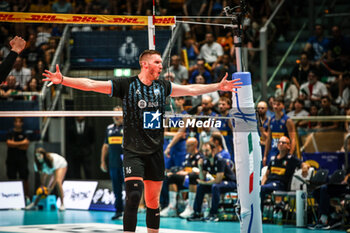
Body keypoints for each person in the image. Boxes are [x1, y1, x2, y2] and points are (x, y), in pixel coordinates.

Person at [42, 49, 242, 233]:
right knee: (134, 196)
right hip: (133, 151)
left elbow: (191, 90)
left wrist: (218, 86)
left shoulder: (163, 86)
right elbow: (92, 85)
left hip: (155, 152)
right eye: (157, 62)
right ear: (145, 64)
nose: (161, 66)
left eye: (161, 63)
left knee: (153, 202)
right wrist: (63, 80)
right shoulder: (126, 85)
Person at [187, 142, 236, 222]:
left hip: (230, 183)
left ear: (213, 150)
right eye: (203, 151)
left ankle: (213, 214)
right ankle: (197, 213)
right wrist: (200, 167)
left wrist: (204, 183)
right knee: (201, 187)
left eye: (207, 151)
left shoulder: (220, 161)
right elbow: (202, 178)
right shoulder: (206, 161)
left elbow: (218, 180)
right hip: (218, 184)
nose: (205, 153)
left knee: (215, 186)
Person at [160, 137, 203, 218]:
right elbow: (184, 168)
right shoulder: (187, 157)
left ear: (194, 146)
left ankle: (191, 207)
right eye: (186, 146)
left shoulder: (200, 157)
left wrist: (187, 172)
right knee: (169, 177)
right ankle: (172, 207)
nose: (186, 148)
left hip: (195, 180)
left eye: (188, 146)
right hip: (185, 180)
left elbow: (200, 171)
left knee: (192, 176)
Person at [261, 136, 303, 208]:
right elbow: (266, 175)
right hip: (269, 184)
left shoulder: (291, 159)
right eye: (279, 142)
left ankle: (260, 213)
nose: (280, 144)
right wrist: (262, 185)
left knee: (262, 189)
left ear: (288, 146)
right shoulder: (273, 159)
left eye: (283, 143)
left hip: (279, 184)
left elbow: (304, 164)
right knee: (257, 189)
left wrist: (305, 167)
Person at [100, 106, 124, 220]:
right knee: (116, 189)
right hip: (113, 164)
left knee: (130, 188)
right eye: (113, 113)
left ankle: (130, 211)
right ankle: (118, 211)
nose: (116, 116)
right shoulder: (109, 128)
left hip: (126, 164)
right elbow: (105, 146)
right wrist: (103, 162)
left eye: (118, 114)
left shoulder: (129, 127)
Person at [263, 97, 296, 166]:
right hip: (273, 151)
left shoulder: (288, 121)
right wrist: (265, 156)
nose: (275, 106)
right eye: (274, 104)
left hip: (284, 152)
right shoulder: (270, 120)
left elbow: (293, 139)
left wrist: (290, 154)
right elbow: (268, 139)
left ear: (283, 106)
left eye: (278, 104)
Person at [6, 117, 30, 198]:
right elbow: (9, 144)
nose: (18, 123)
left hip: (22, 159)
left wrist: (14, 144)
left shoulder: (25, 133)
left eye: (19, 122)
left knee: (24, 178)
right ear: (14, 123)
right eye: (16, 122)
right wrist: (21, 143)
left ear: (22, 123)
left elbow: (26, 146)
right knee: (11, 178)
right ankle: (11, 196)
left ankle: (26, 197)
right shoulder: (10, 132)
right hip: (11, 159)